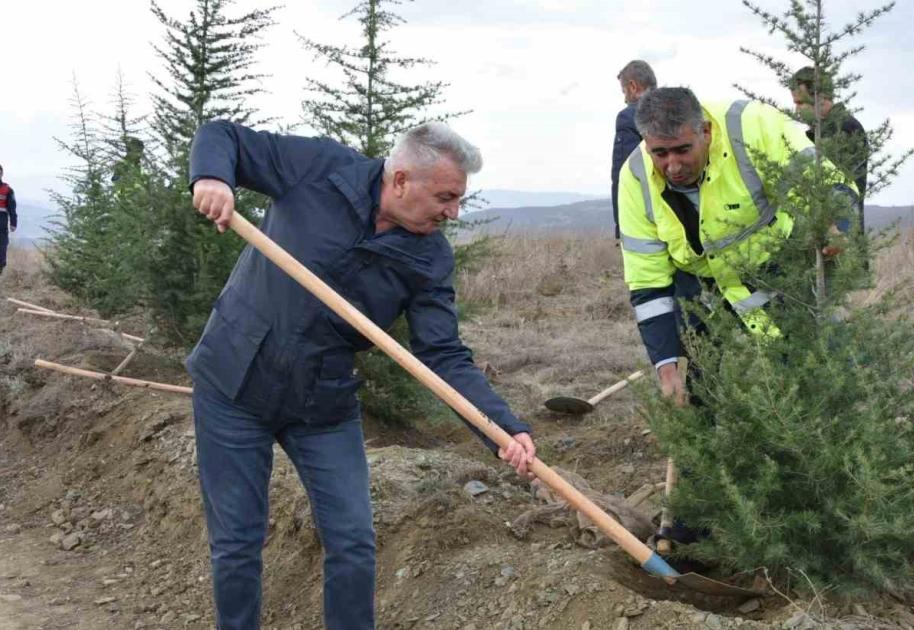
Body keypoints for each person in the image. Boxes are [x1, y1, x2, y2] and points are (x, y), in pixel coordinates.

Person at [188, 120, 538, 629]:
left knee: (353, 543)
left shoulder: (430, 257)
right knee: (238, 544)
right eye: (445, 196)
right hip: (233, 383)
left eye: (459, 199)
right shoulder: (320, 169)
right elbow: (223, 136)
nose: (453, 212)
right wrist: (213, 178)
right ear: (400, 180)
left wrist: (503, 428)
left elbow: (442, 354)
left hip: (321, 404)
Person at [616, 86, 855, 408]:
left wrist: (836, 224)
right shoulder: (634, 177)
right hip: (696, 279)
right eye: (660, 154)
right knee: (700, 384)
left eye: (683, 150)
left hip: (771, 262)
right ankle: (703, 450)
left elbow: (826, 184)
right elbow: (648, 282)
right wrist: (666, 367)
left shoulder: (752, 126)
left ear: (706, 131)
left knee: (803, 361)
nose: (673, 166)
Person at [790, 67, 869, 236]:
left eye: (800, 103)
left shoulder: (845, 129)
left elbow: (842, 189)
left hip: (840, 239)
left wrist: (839, 232)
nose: (796, 110)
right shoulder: (819, 133)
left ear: (821, 98)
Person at [613, 60, 657, 239]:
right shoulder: (679, 109)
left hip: (646, 219)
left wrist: (620, 227)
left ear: (632, 86)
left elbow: (624, 174)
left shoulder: (629, 117)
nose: (624, 99)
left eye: (624, 91)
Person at [0, 164, 16, 277]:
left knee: (1, 248)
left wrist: (13, 223)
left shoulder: (8, 190)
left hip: (1, 222)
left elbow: (12, 207)